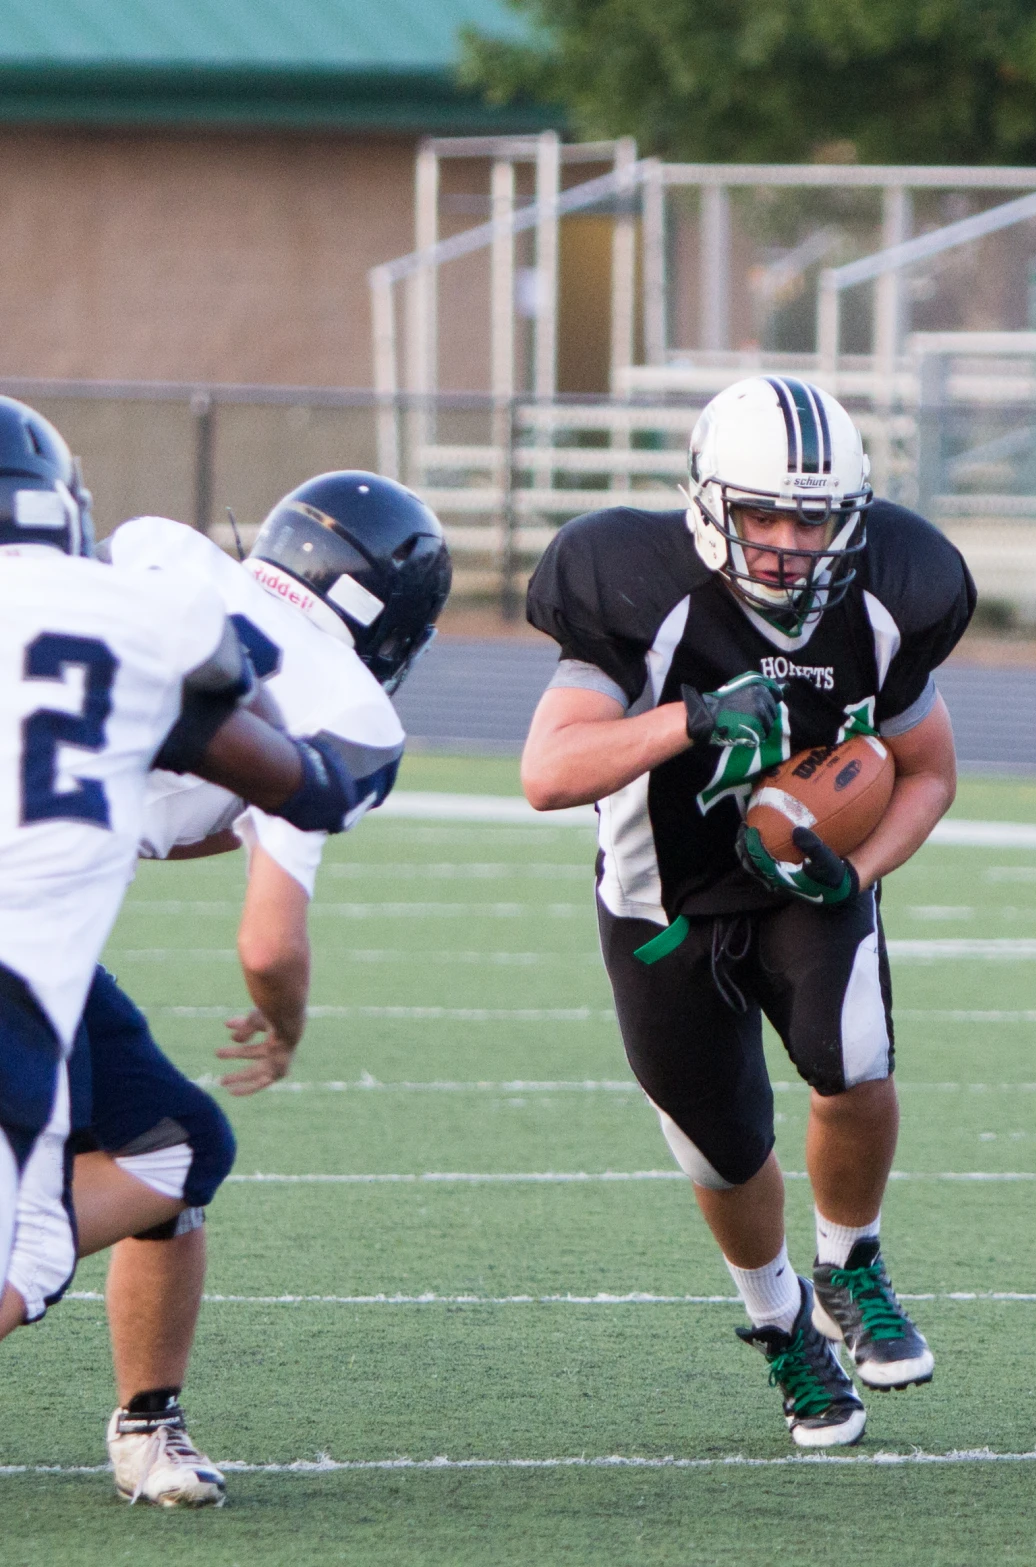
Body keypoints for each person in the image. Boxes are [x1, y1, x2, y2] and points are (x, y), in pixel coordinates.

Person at [521, 376, 973, 1448]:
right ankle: (780, 1325)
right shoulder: (637, 583)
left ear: (848, 521)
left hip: (801, 878)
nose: (780, 542)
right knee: (722, 1147)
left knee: (851, 1056)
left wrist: (855, 877)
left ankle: (850, 1261)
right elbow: (548, 772)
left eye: (808, 518)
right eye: (759, 513)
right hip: (659, 902)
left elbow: (928, 774)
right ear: (707, 501)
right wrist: (688, 718)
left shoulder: (892, 590)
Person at [41, 474, 445, 1508]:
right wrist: (285, 1025)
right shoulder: (345, 709)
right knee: (96, 1195)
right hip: (20, 931)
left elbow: (145, 796)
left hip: (34, 916)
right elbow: (269, 942)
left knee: (174, 1142)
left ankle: (148, 1423)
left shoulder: (159, 548)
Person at [0, 398, 368, 1354]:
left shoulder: (143, 580)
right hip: (15, 966)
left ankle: (150, 1413)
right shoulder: (136, 622)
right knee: (31, 1249)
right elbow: (296, 796)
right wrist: (333, 775)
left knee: (174, 1141)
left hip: (42, 970)